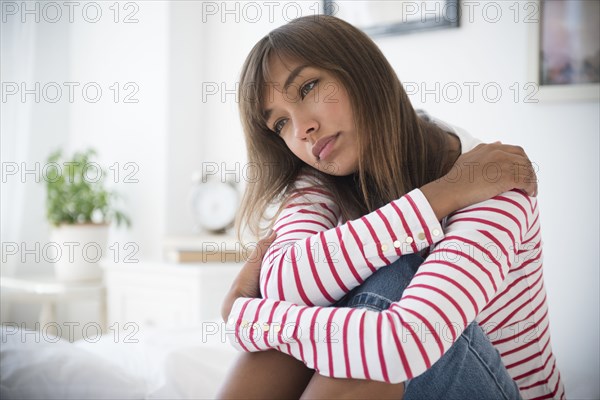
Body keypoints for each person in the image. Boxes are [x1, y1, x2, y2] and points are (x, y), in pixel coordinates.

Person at [218, 15, 564, 400]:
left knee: (392, 275)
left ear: (361, 70)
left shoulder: (494, 179)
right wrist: (441, 196)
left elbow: (404, 344)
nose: (301, 130)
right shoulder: (319, 179)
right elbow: (285, 286)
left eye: (309, 87)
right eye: (280, 123)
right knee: (297, 330)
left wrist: (243, 317)